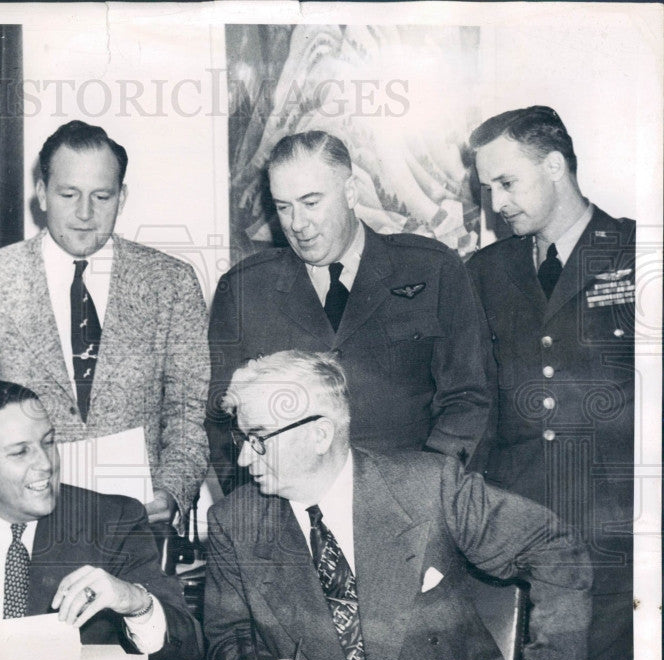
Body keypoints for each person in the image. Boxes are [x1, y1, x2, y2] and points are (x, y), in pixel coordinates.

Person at [204, 350, 592, 660]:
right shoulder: (234, 522)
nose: (243, 458)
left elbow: (555, 550)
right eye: (242, 439)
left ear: (320, 435)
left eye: (259, 438)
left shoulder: (429, 486)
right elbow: (230, 638)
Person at [0, 120, 209, 527]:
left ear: (122, 196)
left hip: (136, 527)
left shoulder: (171, 283)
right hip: (21, 525)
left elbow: (188, 411)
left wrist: (173, 492)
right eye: (68, 194)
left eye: (101, 196)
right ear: (42, 194)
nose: (84, 214)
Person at [207, 130, 492, 495]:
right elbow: (220, 417)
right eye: (283, 207)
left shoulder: (431, 269)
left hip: (411, 510)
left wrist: (428, 491)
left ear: (351, 191)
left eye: (311, 202)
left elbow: (468, 398)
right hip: (288, 519)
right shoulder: (245, 290)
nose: (297, 223)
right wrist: (256, 512)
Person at [467, 106, 636, 660]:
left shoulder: (638, 253)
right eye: (488, 187)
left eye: (507, 182)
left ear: (556, 165)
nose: (496, 202)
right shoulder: (486, 271)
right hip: (520, 523)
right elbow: (478, 401)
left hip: (612, 522)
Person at [0, 381, 204, 660]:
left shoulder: (113, 520)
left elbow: (187, 655)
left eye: (48, 442)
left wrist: (135, 602)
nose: (45, 463)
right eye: (20, 452)